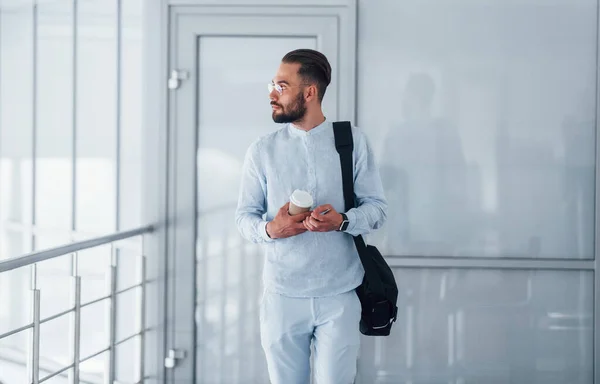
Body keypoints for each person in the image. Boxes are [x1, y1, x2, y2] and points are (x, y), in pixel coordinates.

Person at [235, 49, 387, 384]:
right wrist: (271, 229)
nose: (272, 93)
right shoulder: (262, 150)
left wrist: (343, 221)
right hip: (282, 295)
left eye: (281, 86)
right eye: (273, 84)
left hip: (341, 293)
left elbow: (377, 210)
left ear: (309, 92)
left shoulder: (352, 142)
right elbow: (244, 218)